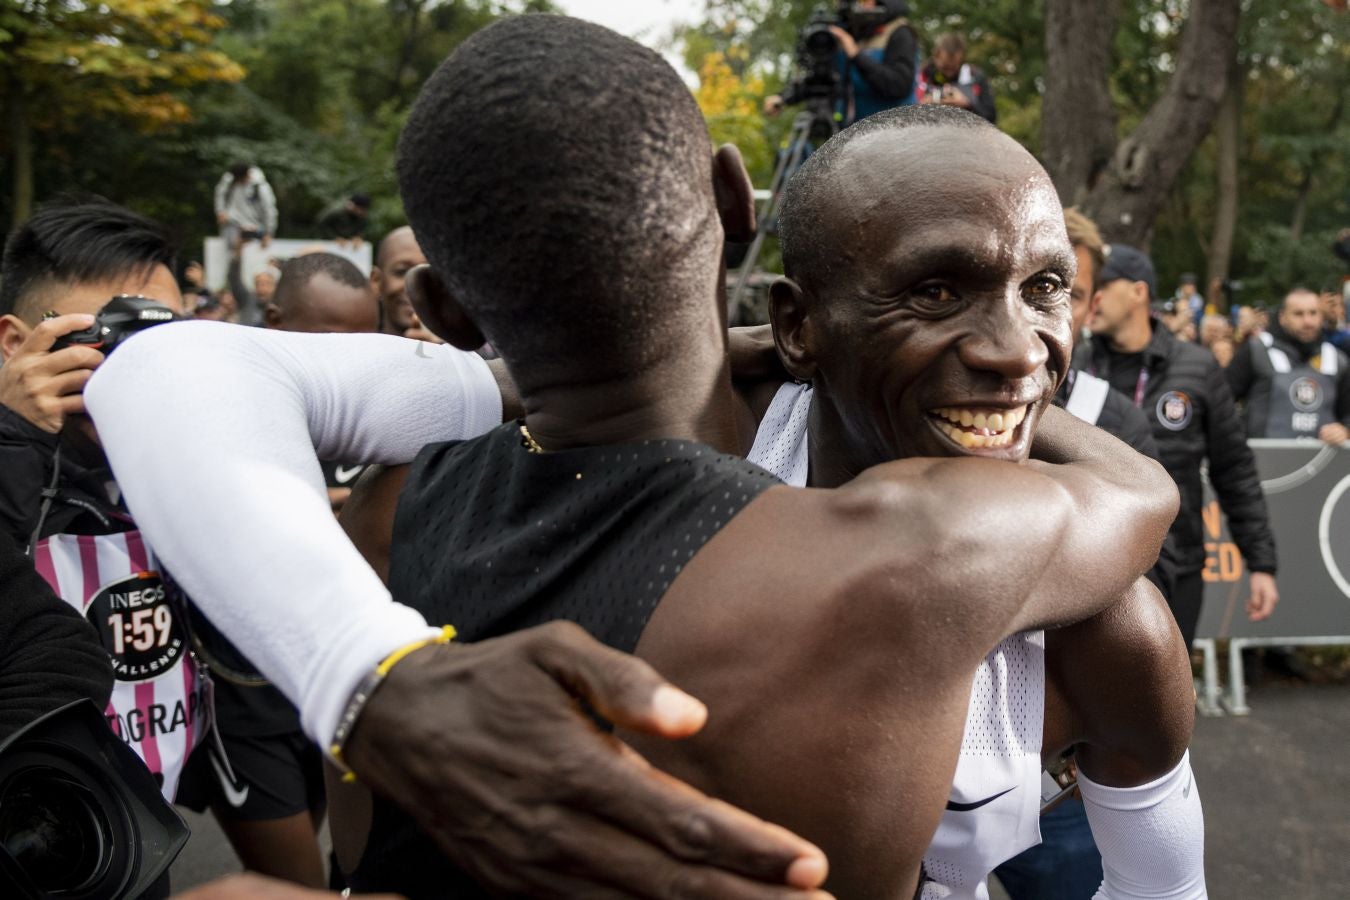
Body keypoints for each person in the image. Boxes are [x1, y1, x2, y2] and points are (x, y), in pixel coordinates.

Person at [102, 24, 1179, 900]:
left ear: (437, 309)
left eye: (1045, 289)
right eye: (935, 293)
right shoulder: (920, 551)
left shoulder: (386, 515)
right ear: (735, 203)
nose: (1005, 344)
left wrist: (368, 676)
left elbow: (164, 370)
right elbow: (1140, 492)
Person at [0, 198, 206, 811]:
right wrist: (13, 441)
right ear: (16, 343)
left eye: (165, 342)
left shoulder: (188, 463)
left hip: (146, 835)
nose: (142, 373)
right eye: (115, 341)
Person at [1082, 243, 1279, 645]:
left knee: (1162, 700)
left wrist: (1261, 562)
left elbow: (1234, 468)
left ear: (1138, 292)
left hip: (1176, 566)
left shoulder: (1196, 367)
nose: (1092, 295)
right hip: (1089, 565)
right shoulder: (1074, 363)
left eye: (1102, 283)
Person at [264, 252, 382, 511]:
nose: (351, 362)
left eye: (366, 346)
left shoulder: (384, 425)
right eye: (331, 344)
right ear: (275, 321)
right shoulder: (240, 416)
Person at [1226, 287, 1350, 445]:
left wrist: (1344, 431)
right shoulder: (1257, 350)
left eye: (1313, 313)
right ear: (1282, 317)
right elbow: (1222, 400)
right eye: (1298, 314)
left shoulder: (1337, 360)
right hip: (1264, 461)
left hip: (1321, 463)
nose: (1308, 321)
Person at [764, 0, 918, 126]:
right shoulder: (849, 34)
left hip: (897, 132)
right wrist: (783, 98)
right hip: (860, 134)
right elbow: (823, 79)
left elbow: (898, 86)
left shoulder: (899, 32)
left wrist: (856, 55)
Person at [917, 32, 996, 123]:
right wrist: (921, 108)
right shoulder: (921, 77)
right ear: (935, 57)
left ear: (962, 59)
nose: (949, 73)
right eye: (945, 67)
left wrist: (967, 105)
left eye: (954, 68)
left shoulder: (976, 77)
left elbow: (991, 118)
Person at [370, 226, 426, 336]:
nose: (417, 285)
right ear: (376, 281)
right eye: (402, 271)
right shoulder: (355, 349)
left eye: (428, 274)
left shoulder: (463, 352)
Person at [214, 162, 278, 258]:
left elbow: (270, 210)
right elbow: (220, 193)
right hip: (233, 221)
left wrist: (269, 233)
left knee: (249, 253)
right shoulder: (230, 180)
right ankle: (234, 263)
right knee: (231, 249)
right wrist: (220, 212)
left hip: (254, 226)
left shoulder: (260, 186)